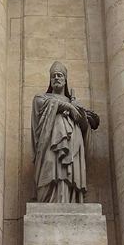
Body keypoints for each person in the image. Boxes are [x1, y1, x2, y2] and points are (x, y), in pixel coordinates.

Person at [31, 61, 99, 203]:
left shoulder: (75, 103)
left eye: (60, 75)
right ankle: (50, 200)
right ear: (50, 80)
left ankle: (71, 199)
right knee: (50, 166)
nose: (56, 78)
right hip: (51, 142)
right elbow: (40, 104)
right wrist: (67, 106)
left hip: (73, 140)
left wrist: (80, 114)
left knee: (69, 171)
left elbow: (86, 124)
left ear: (65, 80)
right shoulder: (43, 98)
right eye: (53, 76)